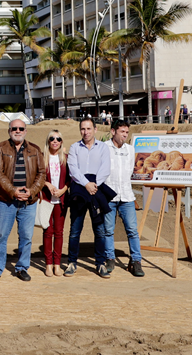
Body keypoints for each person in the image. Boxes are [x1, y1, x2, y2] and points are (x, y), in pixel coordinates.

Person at [0, 119, 46, 282]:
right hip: (6, 200)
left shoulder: (35, 149)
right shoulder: (1, 148)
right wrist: (13, 191)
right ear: (9, 131)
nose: (18, 131)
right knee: (1, 234)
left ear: (26, 131)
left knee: (26, 236)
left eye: (21, 128)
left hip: (28, 201)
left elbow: (42, 173)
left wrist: (32, 191)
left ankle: (22, 268)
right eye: (14, 128)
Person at [65, 118, 113, 279]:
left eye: (89, 128)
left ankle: (100, 263)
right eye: (83, 129)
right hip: (79, 190)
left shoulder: (103, 148)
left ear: (95, 129)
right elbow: (73, 170)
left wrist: (94, 185)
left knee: (99, 230)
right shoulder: (74, 147)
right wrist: (86, 184)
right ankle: (72, 262)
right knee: (75, 230)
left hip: (96, 190)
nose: (86, 132)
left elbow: (105, 169)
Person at [103, 119, 144, 277]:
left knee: (132, 231)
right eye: (122, 132)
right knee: (108, 230)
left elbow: (129, 172)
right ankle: (110, 259)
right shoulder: (104, 148)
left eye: (127, 132)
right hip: (109, 197)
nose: (125, 135)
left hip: (126, 196)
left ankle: (136, 261)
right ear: (113, 132)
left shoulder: (130, 149)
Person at [40, 129, 68, 278]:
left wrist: (63, 190)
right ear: (48, 141)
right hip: (46, 199)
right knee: (47, 231)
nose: (55, 141)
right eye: (52, 138)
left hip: (61, 200)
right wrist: (47, 184)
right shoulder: (42, 158)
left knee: (59, 232)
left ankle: (57, 264)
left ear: (61, 141)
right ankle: (48, 264)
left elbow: (70, 179)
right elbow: (36, 177)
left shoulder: (66, 159)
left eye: (58, 139)